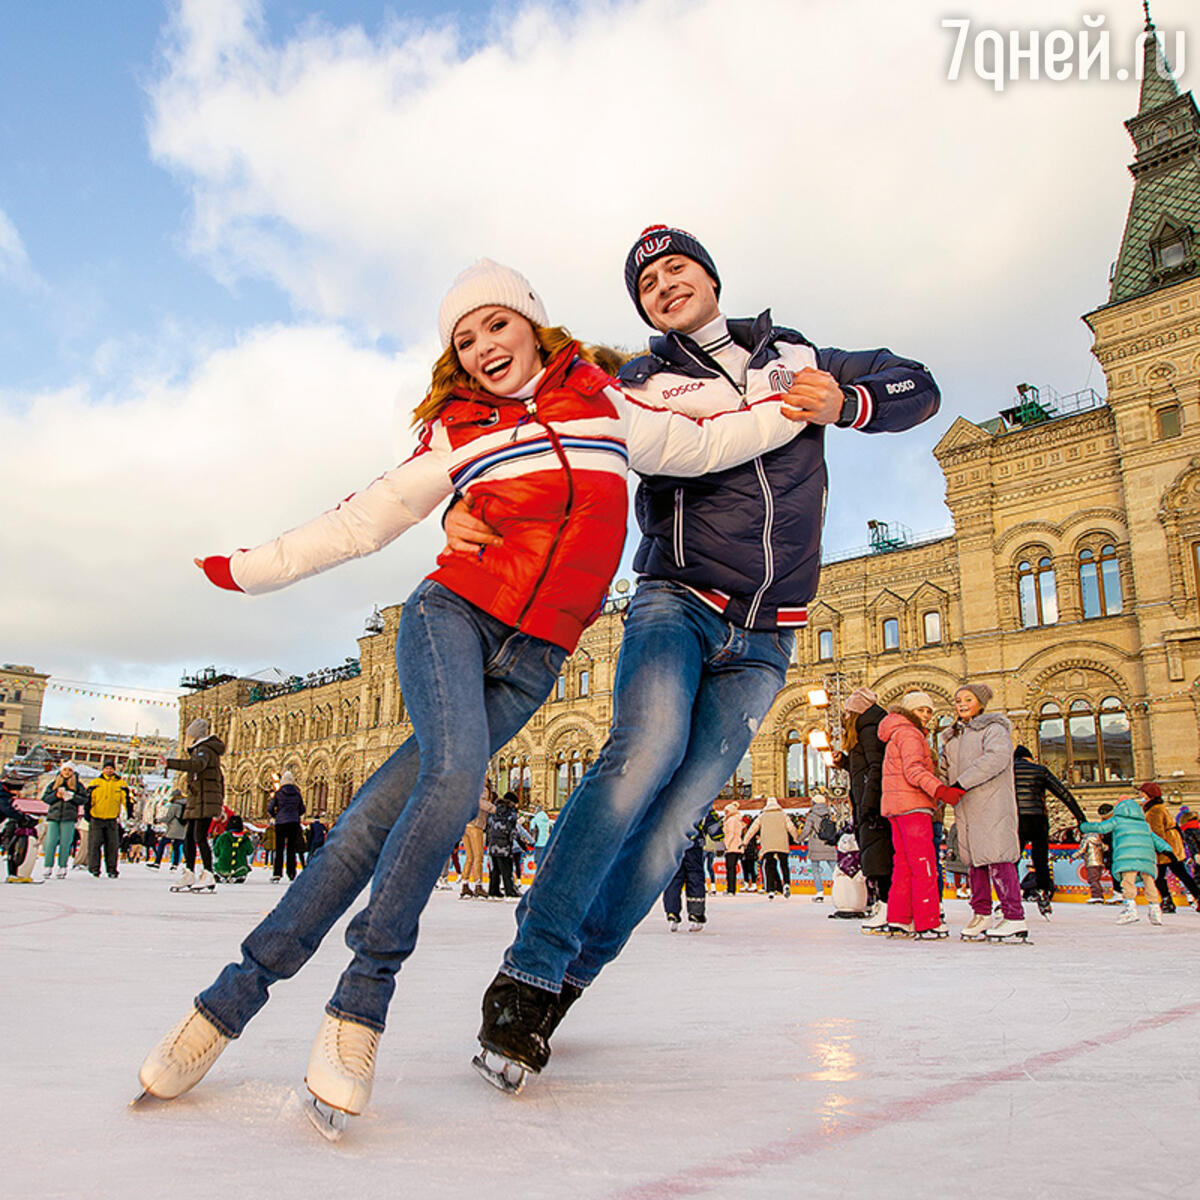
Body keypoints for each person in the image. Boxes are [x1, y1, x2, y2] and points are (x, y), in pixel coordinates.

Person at [136, 258, 809, 1128]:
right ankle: (359, 1006)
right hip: (451, 617)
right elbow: (361, 519)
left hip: (536, 661)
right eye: (465, 337)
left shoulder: (608, 404)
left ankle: (221, 1008)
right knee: (454, 783)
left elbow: (716, 436)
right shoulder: (457, 432)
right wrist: (250, 570)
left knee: (370, 821)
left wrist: (802, 396)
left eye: (497, 324)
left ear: (534, 325)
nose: (485, 345)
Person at [449, 227, 939, 1085]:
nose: (665, 284)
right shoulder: (638, 378)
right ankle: (525, 975)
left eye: (679, 267)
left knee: (676, 822)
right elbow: (541, 427)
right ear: (642, 308)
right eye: (648, 282)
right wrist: (466, 504)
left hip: (769, 634)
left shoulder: (794, 355)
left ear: (710, 276)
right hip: (676, 598)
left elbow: (917, 384)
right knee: (641, 757)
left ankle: (563, 985)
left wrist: (845, 404)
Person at [939, 684, 1027, 942]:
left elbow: (997, 758)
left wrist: (960, 784)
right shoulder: (952, 737)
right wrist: (939, 787)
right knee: (974, 861)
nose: (961, 704)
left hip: (991, 803)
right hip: (965, 806)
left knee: (998, 857)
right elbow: (946, 769)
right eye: (957, 700)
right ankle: (981, 912)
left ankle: (1014, 915)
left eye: (968, 699)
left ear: (980, 703)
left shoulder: (994, 730)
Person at [877, 692, 963, 939]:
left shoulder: (895, 733)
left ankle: (900, 918)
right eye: (921, 710)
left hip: (896, 806)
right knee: (924, 864)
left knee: (903, 865)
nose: (926, 715)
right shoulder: (910, 734)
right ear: (909, 711)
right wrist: (940, 790)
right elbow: (913, 770)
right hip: (913, 805)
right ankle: (928, 921)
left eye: (929, 711)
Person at [835, 687, 890, 929]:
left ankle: (887, 906)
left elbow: (875, 769)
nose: (845, 717)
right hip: (867, 800)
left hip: (872, 805)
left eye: (847, 712)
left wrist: (868, 804)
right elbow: (864, 770)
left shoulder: (868, 730)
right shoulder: (866, 730)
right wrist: (845, 763)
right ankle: (883, 904)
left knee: (879, 859)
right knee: (873, 856)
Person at [1013, 745, 1085, 918]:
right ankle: (1043, 892)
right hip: (1038, 819)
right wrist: (1081, 818)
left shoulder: (1007, 771)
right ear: (1029, 758)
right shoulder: (1040, 770)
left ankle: (1011, 896)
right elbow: (1063, 793)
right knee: (1040, 859)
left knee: (1012, 859)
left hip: (1016, 820)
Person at [1079, 798, 1173, 925]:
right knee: (1149, 882)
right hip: (1147, 857)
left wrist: (1083, 826)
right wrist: (1168, 850)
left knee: (1128, 882)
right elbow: (1156, 840)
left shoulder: (1117, 821)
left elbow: (1100, 828)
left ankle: (1130, 909)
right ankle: (1155, 910)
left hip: (1126, 857)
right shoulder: (1144, 825)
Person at [164, 719, 226, 892]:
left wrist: (170, 763)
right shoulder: (200, 749)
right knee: (189, 838)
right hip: (198, 800)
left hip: (205, 800)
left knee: (199, 837)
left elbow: (198, 766)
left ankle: (208, 873)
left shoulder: (204, 750)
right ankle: (190, 872)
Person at [1140, 782, 1200, 913]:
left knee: (1160, 876)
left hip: (1165, 848)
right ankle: (1197, 896)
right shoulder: (1157, 807)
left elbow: (1157, 832)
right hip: (1171, 845)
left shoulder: (1154, 810)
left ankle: (1167, 901)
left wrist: (1160, 848)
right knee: (1182, 873)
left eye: (1142, 793)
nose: (1140, 796)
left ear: (1149, 794)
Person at [662, 808, 722, 930]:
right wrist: (718, 839)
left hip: (674, 844)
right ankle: (696, 914)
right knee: (695, 877)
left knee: (673, 879)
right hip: (693, 845)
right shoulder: (700, 800)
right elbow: (710, 821)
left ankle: (672, 913)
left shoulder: (670, 799)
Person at [743, 798, 799, 898]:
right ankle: (786, 883)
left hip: (768, 845)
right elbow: (791, 828)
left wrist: (745, 842)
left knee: (769, 866)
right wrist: (796, 838)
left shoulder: (762, 816)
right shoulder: (783, 815)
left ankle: (771, 889)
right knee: (784, 864)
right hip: (782, 844)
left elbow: (752, 829)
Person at [41, 762, 87, 880]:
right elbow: (45, 798)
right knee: (50, 842)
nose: (67, 772)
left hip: (69, 817)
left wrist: (72, 797)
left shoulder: (78, 786)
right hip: (54, 816)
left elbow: (84, 799)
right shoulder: (54, 784)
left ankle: (62, 866)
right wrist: (56, 795)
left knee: (65, 843)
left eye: (69, 770)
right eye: (65, 770)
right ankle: (48, 865)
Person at [86, 760, 130, 879]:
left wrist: (129, 812)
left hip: (111, 819)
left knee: (112, 846)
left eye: (111, 768)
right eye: (106, 768)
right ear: (103, 769)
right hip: (96, 817)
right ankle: (94, 868)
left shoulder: (120, 784)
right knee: (94, 844)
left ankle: (112, 869)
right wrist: (87, 814)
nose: (109, 770)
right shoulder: (95, 782)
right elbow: (88, 800)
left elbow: (126, 800)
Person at [268, 771, 306, 882]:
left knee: (279, 849)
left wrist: (276, 816)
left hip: (281, 823)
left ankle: (277, 873)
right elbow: (302, 809)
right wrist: (295, 815)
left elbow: (270, 808)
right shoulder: (297, 793)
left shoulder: (279, 793)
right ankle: (291, 873)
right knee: (291, 849)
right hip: (294, 823)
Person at [800, 795, 838, 902]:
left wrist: (799, 838)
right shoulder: (829, 814)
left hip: (816, 845)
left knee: (816, 869)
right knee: (835, 869)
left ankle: (820, 892)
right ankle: (840, 889)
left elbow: (806, 831)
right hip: (828, 844)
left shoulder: (812, 816)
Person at [461, 785, 496, 899]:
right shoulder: (479, 797)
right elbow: (484, 805)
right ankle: (478, 885)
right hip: (475, 827)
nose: (487, 794)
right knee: (478, 857)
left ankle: (465, 884)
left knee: (470, 857)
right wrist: (499, 808)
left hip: (465, 827)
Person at [487, 793, 523, 900]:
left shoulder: (496, 811)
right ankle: (509, 890)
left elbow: (489, 825)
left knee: (495, 869)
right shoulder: (511, 813)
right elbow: (512, 831)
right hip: (504, 846)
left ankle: (493, 891)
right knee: (507, 869)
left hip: (493, 844)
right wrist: (520, 841)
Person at [149, 789, 187, 870]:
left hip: (173, 829)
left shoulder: (174, 805)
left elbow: (168, 817)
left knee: (162, 844)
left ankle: (157, 862)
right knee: (176, 846)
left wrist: (158, 820)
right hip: (183, 830)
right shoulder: (187, 805)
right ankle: (175, 864)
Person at [212, 815, 255, 883]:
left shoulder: (223, 837)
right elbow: (250, 851)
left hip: (222, 867)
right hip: (240, 868)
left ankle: (222, 875)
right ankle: (239, 875)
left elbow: (216, 852)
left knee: (217, 866)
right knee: (243, 868)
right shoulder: (246, 838)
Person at [721, 801, 747, 895]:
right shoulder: (736, 819)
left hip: (732, 847)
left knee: (730, 868)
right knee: (731, 868)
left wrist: (725, 845)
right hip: (737, 846)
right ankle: (731, 888)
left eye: (726, 811)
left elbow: (730, 833)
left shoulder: (731, 820)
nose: (725, 813)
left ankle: (731, 889)